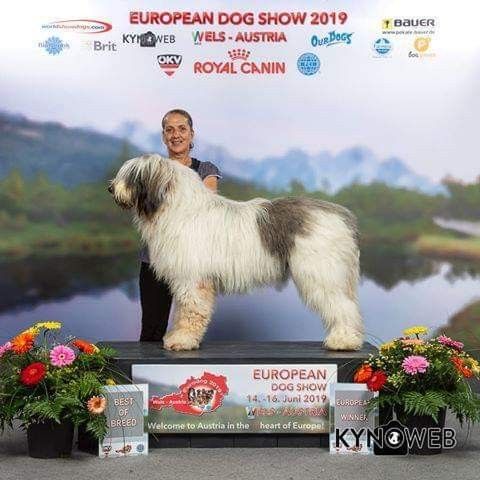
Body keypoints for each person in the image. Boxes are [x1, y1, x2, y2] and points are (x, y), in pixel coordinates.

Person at [139, 109, 221, 341]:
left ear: (191, 134)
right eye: (170, 130)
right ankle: (148, 363)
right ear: (164, 136)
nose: (176, 135)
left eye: (182, 129)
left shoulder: (206, 169)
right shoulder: (152, 170)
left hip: (194, 260)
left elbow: (207, 206)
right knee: (152, 327)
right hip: (154, 259)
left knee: (189, 319)